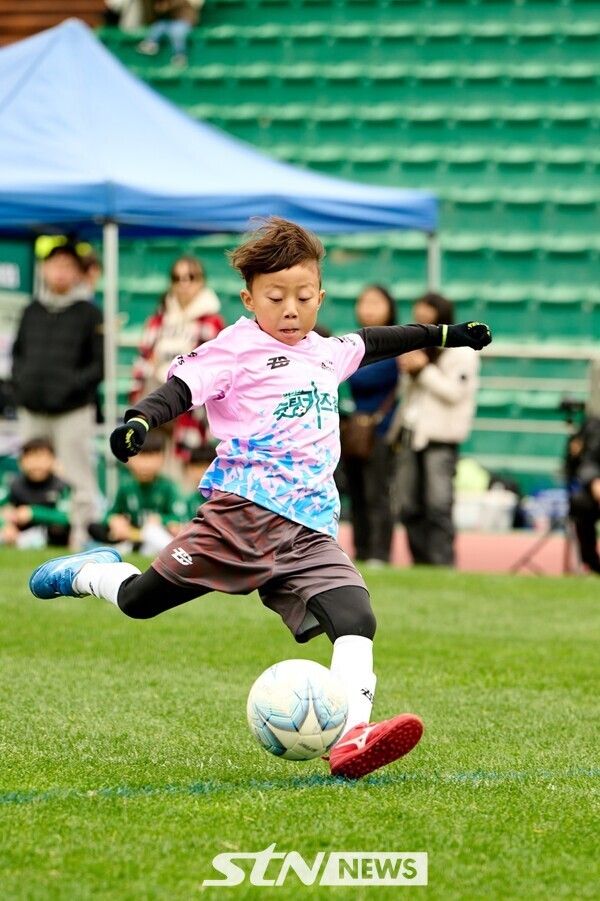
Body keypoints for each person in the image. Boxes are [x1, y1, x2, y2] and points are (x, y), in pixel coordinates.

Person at [29, 217, 491, 780]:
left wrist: (444, 335)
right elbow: (179, 389)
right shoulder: (235, 348)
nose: (291, 309)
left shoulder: (327, 351)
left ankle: (350, 741)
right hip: (238, 519)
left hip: (308, 529)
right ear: (250, 299)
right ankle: (89, 574)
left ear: (320, 295)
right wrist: (140, 420)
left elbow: (376, 342)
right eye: (276, 297)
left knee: (356, 617)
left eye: (303, 296)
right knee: (139, 602)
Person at [11, 244, 103, 549]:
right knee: (31, 471)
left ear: (78, 272)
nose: (60, 272)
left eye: (67, 265)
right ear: (43, 270)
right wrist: (23, 386)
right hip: (32, 408)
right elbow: (18, 355)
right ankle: (28, 534)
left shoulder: (89, 312)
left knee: (76, 473)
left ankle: (80, 535)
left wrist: (69, 387)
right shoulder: (32, 310)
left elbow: (97, 366)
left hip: (72, 410)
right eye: (54, 265)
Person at [389, 292, 481, 567]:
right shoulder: (418, 346)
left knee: (438, 504)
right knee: (409, 504)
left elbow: (454, 393)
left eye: (428, 315)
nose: (422, 320)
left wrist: (424, 369)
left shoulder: (461, 352)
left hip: (440, 437)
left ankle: (442, 562)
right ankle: (420, 561)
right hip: (411, 432)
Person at [130, 255, 225, 465]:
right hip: (158, 403)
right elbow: (143, 362)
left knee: (188, 467)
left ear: (201, 281)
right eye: (177, 278)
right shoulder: (158, 320)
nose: (184, 284)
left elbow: (214, 369)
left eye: (191, 277)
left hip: (192, 407)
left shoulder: (211, 321)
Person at [342, 285, 400, 566]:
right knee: (356, 493)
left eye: (376, 302)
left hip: (381, 429)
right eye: (364, 301)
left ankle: (379, 552)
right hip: (355, 431)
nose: (368, 307)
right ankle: (362, 549)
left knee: (377, 493)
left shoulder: (395, 342)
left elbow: (363, 379)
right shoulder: (354, 341)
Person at [88, 431, 186, 555]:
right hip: (133, 537)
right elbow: (109, 515)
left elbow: (179, 517)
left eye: (151, 456)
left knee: (153, 530)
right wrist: (114, 521)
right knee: (94, 528)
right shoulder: (126, 486)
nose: (145, 463)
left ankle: (172, 552)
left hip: (158, 537)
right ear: (129, 458)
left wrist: (162, 519)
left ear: (162, 458)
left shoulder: (168, 487)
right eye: (140, 456)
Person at [0, 437, 70, 548]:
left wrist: (33, 513)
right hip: (18, 533)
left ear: (53, 460)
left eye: (42, 458)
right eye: (32, 457)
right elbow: (3, 509)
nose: (37, 463)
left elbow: (66, 518)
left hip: (49, 535)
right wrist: (5, 523)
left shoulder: (61, 486)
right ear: (21, 461)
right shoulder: (14, 484)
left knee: (58, 530)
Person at [569, 416, 600, 574]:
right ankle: (593, 563)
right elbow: (589, 462)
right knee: (580, 503)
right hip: (596, 488)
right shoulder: (595, 426)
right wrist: (594, 481)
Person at [137, 0, 204, 66]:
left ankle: (179, 55)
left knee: (177, 32)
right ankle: (151, 44)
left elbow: (170, 6)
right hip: (171, 23)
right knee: (159, 26)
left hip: (185, 23)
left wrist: (165, 6)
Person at [182, 444, 217, 520]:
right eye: (196, 468)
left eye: (206, 467)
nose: (201, 473)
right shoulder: (191, 500)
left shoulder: (223, 498)